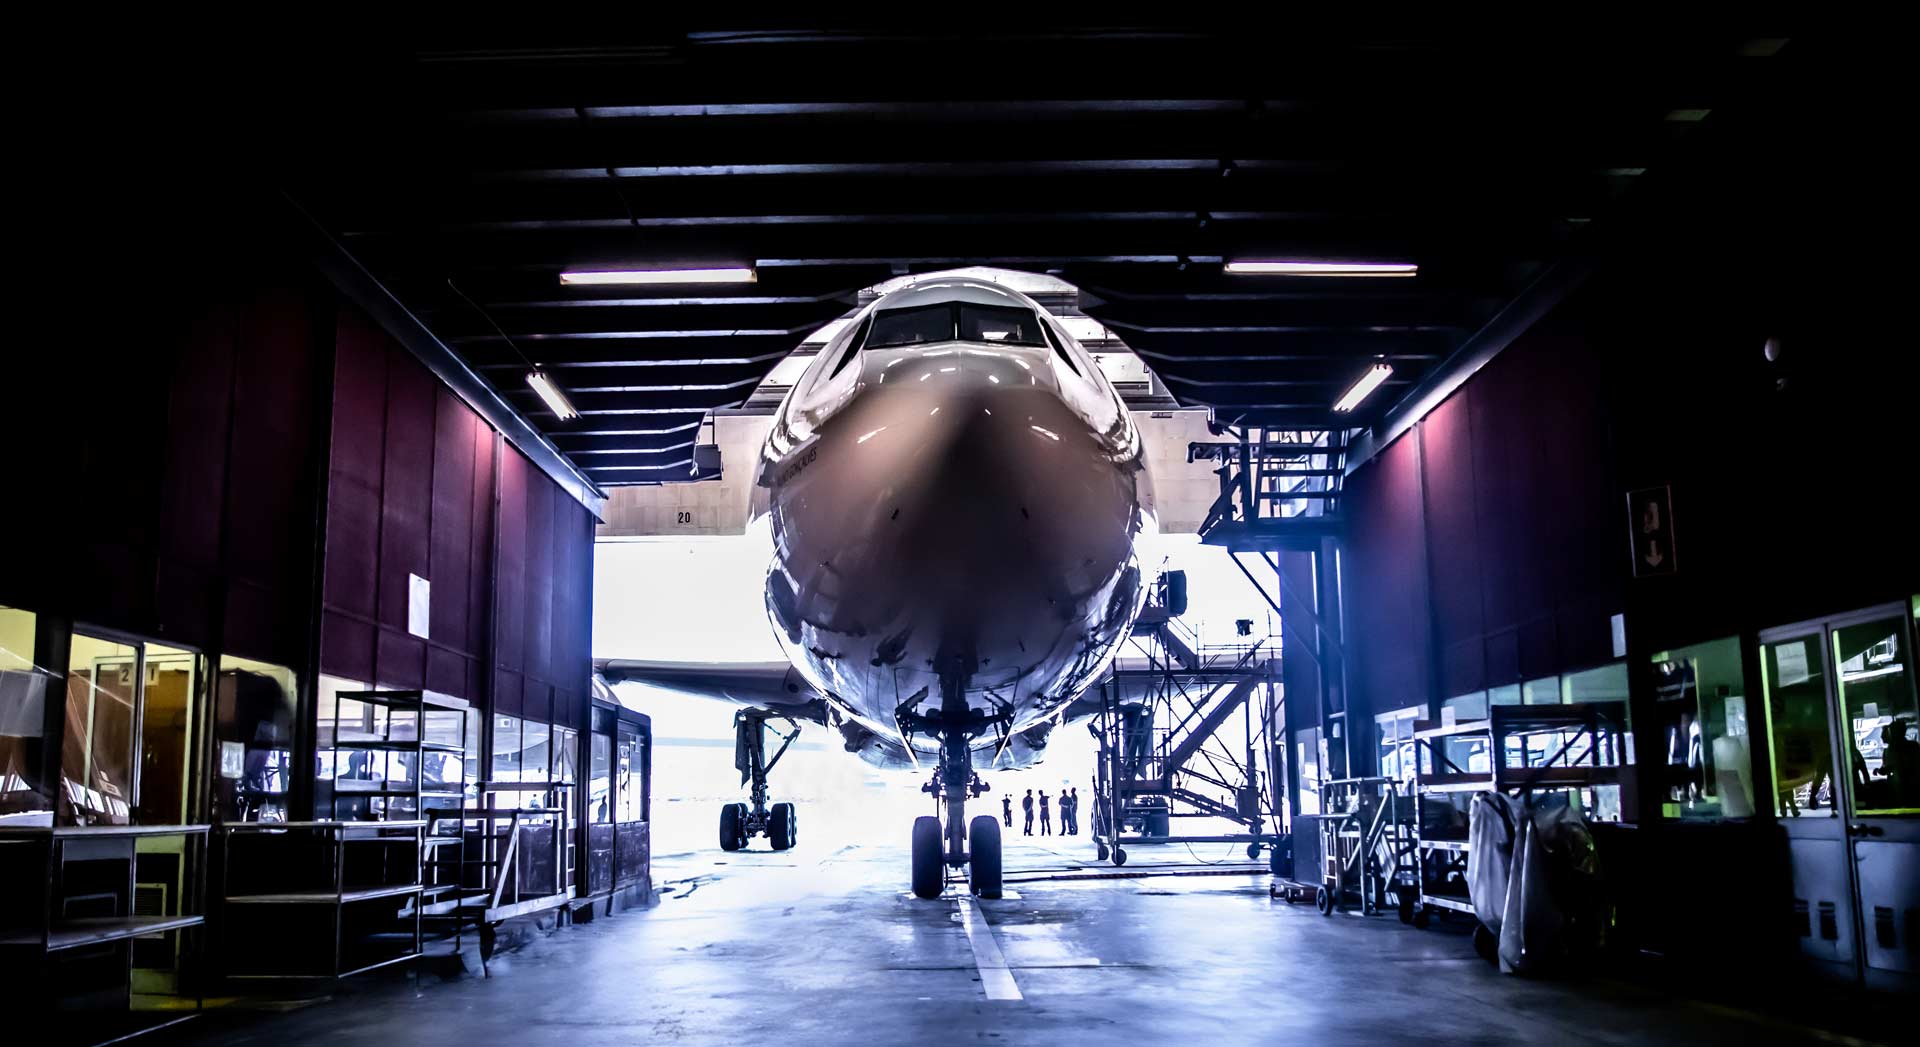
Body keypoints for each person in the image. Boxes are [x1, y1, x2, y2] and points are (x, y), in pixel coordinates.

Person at [1883, 717, 1920, 806]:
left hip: (1901, 786)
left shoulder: (1893, 748)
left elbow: (1889, 767)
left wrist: (1881, 770)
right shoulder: (1914, 745)